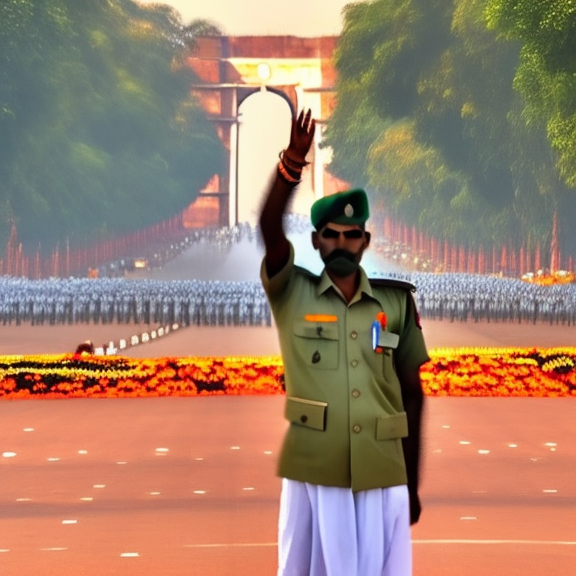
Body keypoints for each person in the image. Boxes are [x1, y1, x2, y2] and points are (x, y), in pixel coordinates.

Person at [259, 110, 430, 576]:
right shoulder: (292, 292)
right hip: (315, 465)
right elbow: (270, 229)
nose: (341, 244)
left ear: (365, 240)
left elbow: (413, 395)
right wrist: (292, 164)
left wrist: (412, 484)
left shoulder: (394, 304)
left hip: (381, 469)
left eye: (351, 236)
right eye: (330, 236)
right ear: (315, 242)